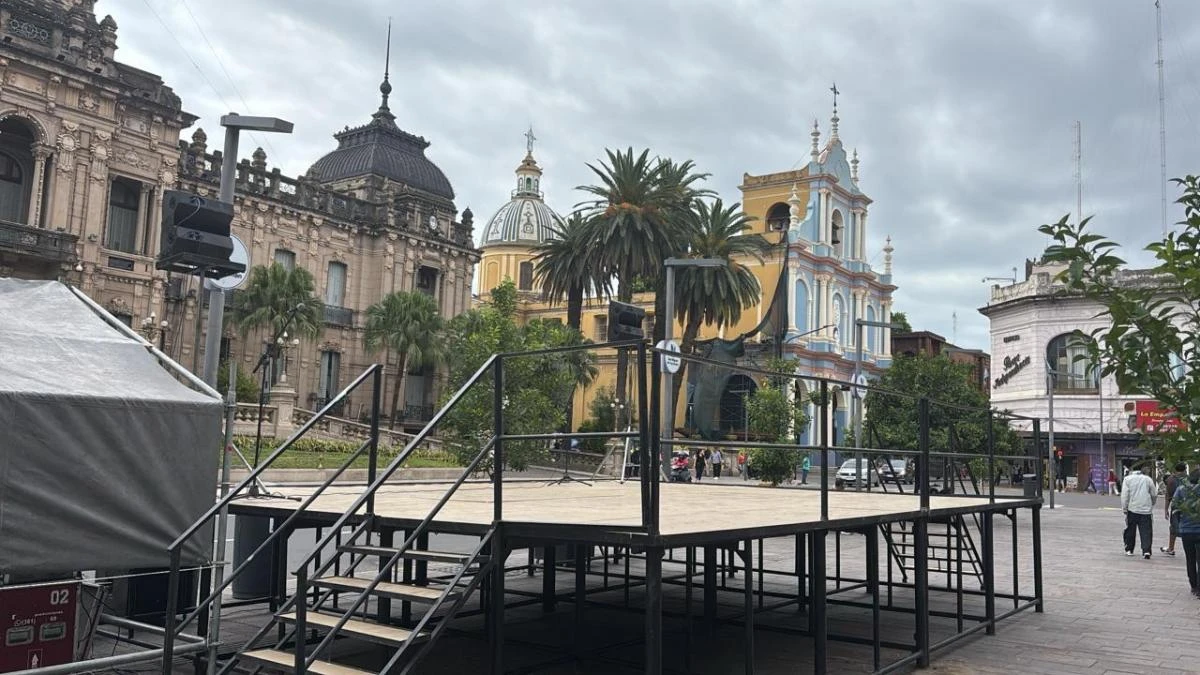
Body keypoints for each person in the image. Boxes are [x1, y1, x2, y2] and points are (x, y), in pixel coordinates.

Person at [1171, 470, 1200, 597]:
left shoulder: (1181, 489)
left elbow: (1175, 508)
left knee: (1190, 558)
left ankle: (1193, 586)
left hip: (1186, 530)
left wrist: (1179, 525)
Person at [1122, 463, 1157, 558]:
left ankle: (1129, 549)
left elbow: (1125, 495)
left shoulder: (1127, 479)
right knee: (1146, 530)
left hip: (1132, 508)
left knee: (1130, 530)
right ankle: (1146, 550)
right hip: (1146, 510)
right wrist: (1151, 503)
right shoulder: (1148, 479)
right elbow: (1154, 494)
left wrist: (1125, 508)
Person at [1161, 462, 1188, 556]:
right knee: (1189, 527)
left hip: (1176, 507)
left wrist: (1166, 510)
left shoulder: (1170, 480)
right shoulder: (1188, 479)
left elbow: (1168, 496)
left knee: (1173, 528)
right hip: (1188, 507)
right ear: (1184, 469)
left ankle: (1171, 548)